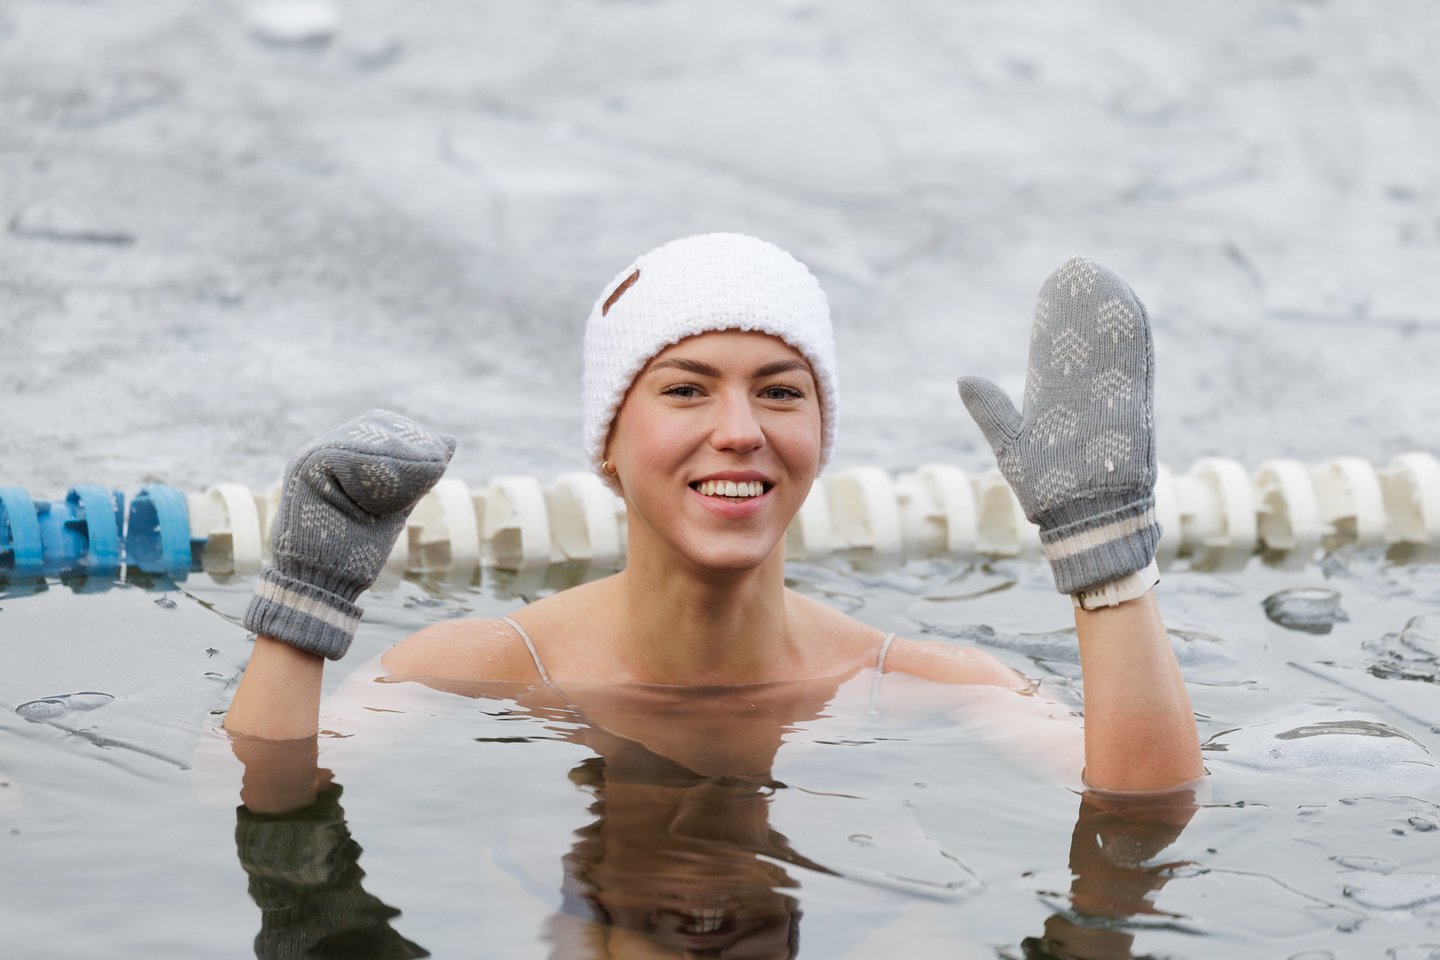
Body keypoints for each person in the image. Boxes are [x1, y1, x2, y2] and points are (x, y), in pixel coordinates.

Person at [221, 233, 1204, 957]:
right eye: (686, 389)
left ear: (821, 437)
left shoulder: (914, 676)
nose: (739, 430)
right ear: (607, 442)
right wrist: (304, 608)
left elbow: (1141, 810)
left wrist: (1106, 561)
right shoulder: (484, 666)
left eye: (780, 392)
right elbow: (248, 799)